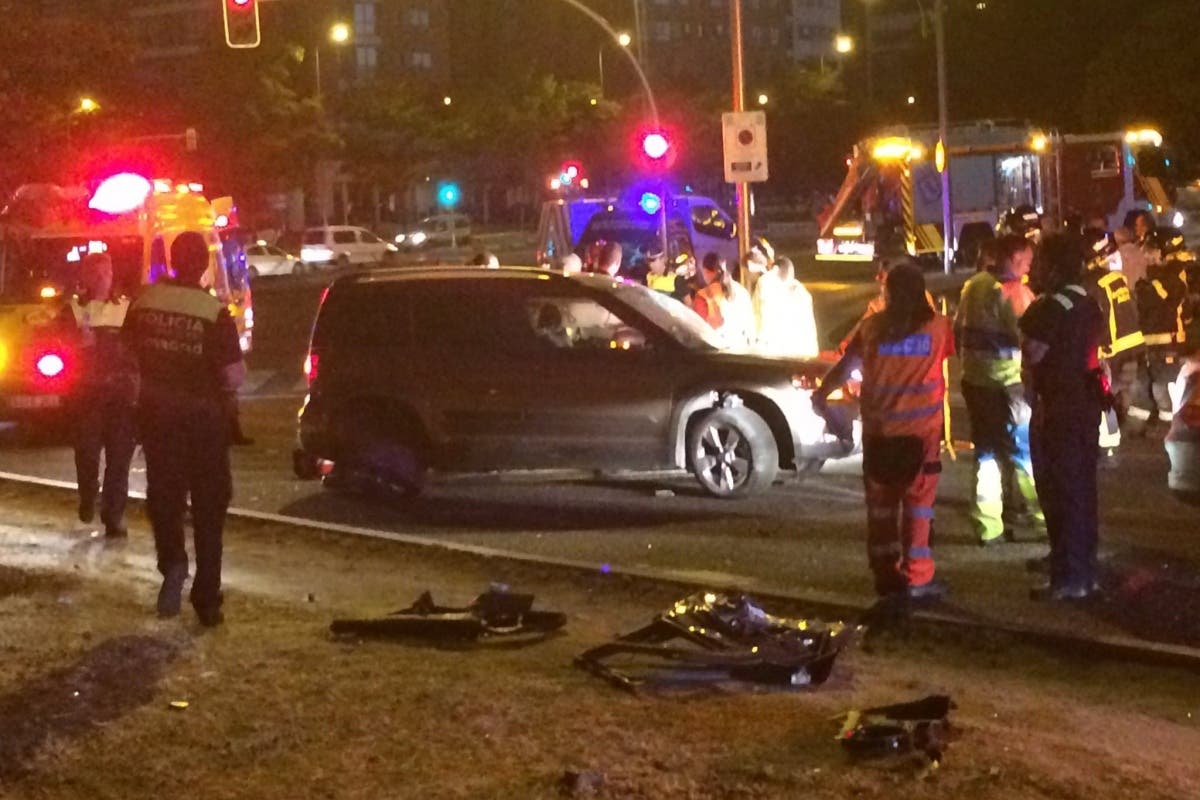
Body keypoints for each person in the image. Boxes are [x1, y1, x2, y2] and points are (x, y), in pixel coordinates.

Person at [124, 232, 246, 626]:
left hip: (158, 420)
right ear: (204, 265)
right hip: (204, 424)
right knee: (210, 508)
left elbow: (128, 357)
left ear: (173, 262)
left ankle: (173, 563)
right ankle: (207, 598)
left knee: (165, 499)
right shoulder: (213, 311)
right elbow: (233, 375)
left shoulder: (145, 302)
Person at [814, 261, 955, 602]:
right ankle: (917, 578)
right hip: (921, 439)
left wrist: (821, 394)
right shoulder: (939, 328)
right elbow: (946, 359)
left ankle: (886, 576)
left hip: (879, 435)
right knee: (919, 509)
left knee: (881, 509)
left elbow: (846, 368)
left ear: (888, 293)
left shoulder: (872, 328)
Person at [1019, 233, 1107, 601]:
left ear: (1053, 266)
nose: (1036, 267)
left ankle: (1068, 578)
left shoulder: (1048, 307)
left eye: (1041, 260)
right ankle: (1084, 570)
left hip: (1057, 409)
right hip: (1086, 407)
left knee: (1058, 492)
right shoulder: (1088, 300)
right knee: (1082, 491)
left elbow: (1033, 354)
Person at [954, 234, 1044, 545]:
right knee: (1024, 453)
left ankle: (987, 526)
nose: (1030, 266)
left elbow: (957, 332)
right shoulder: (1016, 293)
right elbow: (1033, 342)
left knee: (986, 453)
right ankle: (1043, 520)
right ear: (1016, 260)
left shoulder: (974, 285)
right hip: (1009, 385)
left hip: (974, 381)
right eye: (1028, 261)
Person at [62, 253, 139, 539]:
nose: (100, 278)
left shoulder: (125, 308)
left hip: (120, 397)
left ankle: (113, 516)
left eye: (105, 272)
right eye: (94, 273)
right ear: (86, 276)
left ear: (111, 274)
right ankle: (88, 496)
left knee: (119, 460)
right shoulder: (72, 310)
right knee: (87, 454)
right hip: (87, 396)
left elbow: (137, 348)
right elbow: (60, 345)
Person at [1081, 230, 1144, 460]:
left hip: (1108, 350)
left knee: (1102, 395)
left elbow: (1095, 318)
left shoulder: (1092, 283)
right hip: (1129, 345)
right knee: (1119, 391)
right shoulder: (1117, 279)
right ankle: (1117, 433)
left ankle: (1108, 442)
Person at [1128, 229, 1190, 436]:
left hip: (1168, 346)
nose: (1146, 255)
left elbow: (1165, 300)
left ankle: (1169, 428)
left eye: (1151, 250)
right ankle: (1137, 427)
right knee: (1140, 386)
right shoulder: (1156, 276)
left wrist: (1147, 286)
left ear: (1165, 251)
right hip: (1149, 344)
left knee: (1163, 388)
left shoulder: (1177, 275)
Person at [754, 256, 818, 357]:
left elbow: (757, 318)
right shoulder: (802, 294)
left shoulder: (766, 284)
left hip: (781, 354)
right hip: (798, 356)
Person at [692, 252, 754, 348]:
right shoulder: (742, 291)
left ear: (706, 271)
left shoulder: (703, 296)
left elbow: (699, 330)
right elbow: (750, 325)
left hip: (718, 354)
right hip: (742, 349)